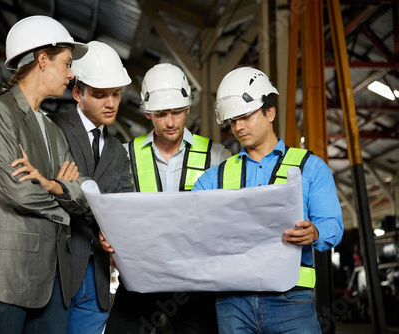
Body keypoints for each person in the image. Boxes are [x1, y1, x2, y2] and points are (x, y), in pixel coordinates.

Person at [191, 66, 344, 334]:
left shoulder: (310, 167)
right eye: (232, 120)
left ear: (269, 112)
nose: (238, 127)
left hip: (291, 300)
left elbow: (333, 224)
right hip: (231, 302)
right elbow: (191, 229)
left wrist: (315, 231)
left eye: (246, 116)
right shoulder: (211, 179)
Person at [0, 15, 90, 334]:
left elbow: (81, 195)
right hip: (5, 279)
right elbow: (17, 191)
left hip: (52, 281)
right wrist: (62, 199)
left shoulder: (52, 129)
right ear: (43, 59)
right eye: (66, 63)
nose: (71, 74)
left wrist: (49, 184)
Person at [101, 63, 232, 334]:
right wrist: (106, 233)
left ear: (187, 109)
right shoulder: (124, 155)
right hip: (141, 275)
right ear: (147, 113)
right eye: (161, 114)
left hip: (194, 281)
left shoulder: (217, 157)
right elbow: (111, 211)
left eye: (176, 112)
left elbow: (230, 215)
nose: (170, 122)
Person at [47, 40, 134, 334]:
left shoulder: (117, 152)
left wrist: (115, 231)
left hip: (96, 278)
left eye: (116, 94)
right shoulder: (53, 128)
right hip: (56, 272)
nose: (110, 103)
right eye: (99, 95)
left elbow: (122, 206)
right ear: (77, 93)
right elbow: (45, 192)